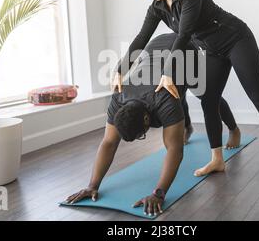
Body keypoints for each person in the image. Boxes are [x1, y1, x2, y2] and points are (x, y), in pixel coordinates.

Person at [112, 0, 259, 182]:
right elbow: (141, 38)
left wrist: (167, 73)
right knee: (208, 99)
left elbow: (184, 34)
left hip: (236, 40)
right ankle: (217, 159)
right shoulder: (157, 8)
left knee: (258, 97)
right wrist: (120, 69)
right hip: (212, 50)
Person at [66, 33, 239, 216]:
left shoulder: (163, 98)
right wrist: (92, 185)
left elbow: (175, 150)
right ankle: (186, 127)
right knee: (177, 92)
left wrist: (159, 193)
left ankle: (234, 129)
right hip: (154, 53)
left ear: (147, 120)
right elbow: (109, 142)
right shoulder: (119, 96)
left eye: (142, 134)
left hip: (186, 52)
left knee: (207, 97)